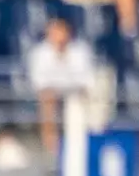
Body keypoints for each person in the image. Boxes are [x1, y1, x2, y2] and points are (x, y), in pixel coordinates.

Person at [26, 17, 93, 159]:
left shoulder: (80, 50)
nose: (58, 36)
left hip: (75, 93)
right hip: (51, 93)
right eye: (55, 32)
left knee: (79, 101)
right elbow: (38, 81)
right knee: (47, 101)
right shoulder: (39, 53)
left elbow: (85, 79)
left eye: (61, 31)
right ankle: (52, 149)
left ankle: (80, 147)